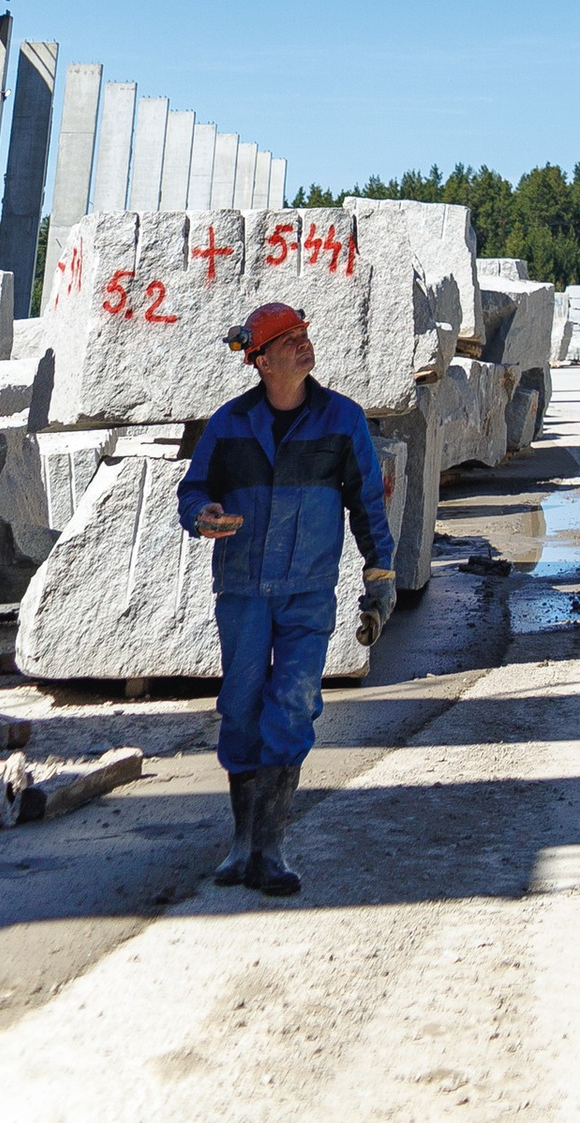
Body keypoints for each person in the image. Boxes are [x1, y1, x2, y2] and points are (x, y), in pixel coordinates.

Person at [177, 299, 397, 900]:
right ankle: (241, 845)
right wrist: (202, 514)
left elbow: (367, 504)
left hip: (307, 592)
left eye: (303, 334)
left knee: (293, 706)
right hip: (244, 592)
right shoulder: (229, 425)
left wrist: (380, 577)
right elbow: (193, 489)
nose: (303, 344)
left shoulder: (342, 420)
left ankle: (270, 849)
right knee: (241, 708)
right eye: (288, 340)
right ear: (263, 361)